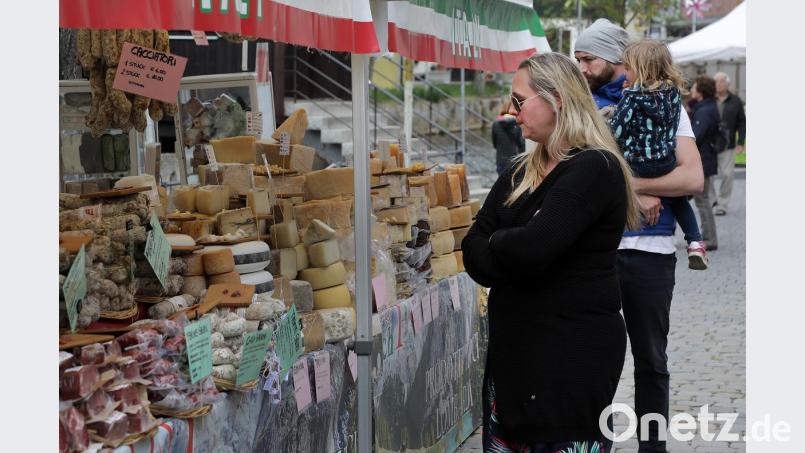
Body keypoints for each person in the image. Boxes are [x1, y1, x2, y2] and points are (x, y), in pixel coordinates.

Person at [462, 52, 640, 452]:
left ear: (556, 98)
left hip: (569, 358)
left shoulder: (595, 167)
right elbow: (472, 252)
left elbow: (534, 248)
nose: (511, 111)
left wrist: (499, 241)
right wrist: (513, 243)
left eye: (519, 100)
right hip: (514, 359)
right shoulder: (519, 171)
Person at [575, 20, 705, 453]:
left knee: (652, 360)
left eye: (587, 58)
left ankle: (653, 448)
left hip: (652, 251)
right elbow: (576, 179)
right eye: (577, 59)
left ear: (617, 60)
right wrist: (634, 191)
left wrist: (631, 186)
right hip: (595, 253)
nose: (580, 67)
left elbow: (693, 178)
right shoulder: (581, 108)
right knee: (594, 360)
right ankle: (594, 445)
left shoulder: (669, 104)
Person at [610, 40, 708, 270]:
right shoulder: (672, 95)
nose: (625, 73)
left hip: (637, 161)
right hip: (665, 161)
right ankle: (695, 241)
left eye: (628, 68)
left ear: (640, 69)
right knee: (678, 199)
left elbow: (617, 130)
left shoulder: (631, 97)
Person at [690, 76, 721, 250]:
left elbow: (695, 136)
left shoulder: (704, 110)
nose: (691, 90)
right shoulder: (706, 107)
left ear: (701, 90)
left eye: (694, 87)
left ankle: (709, 239)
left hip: (703, 160)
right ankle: (706, 235)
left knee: (702, 201)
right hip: (706, 159)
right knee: (702, 199)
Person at [712, 72, 746, 216]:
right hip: (710, 144)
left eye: (721, 81)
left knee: (727, 175)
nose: (718, 84)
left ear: (728, 84)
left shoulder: (736, 101)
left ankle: (722, 204)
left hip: (728, 144)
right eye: (716, 81)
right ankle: (712, 200)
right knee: (706, 176)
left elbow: (742, 123)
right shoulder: (709, 99)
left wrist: (740, 142)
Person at [492, 99, 525, 175]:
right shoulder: (517, 124)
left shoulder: (496, 124)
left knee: (502, 181)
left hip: (501, 161)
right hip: (515, 161)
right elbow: (521, 145)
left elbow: (494, 144)